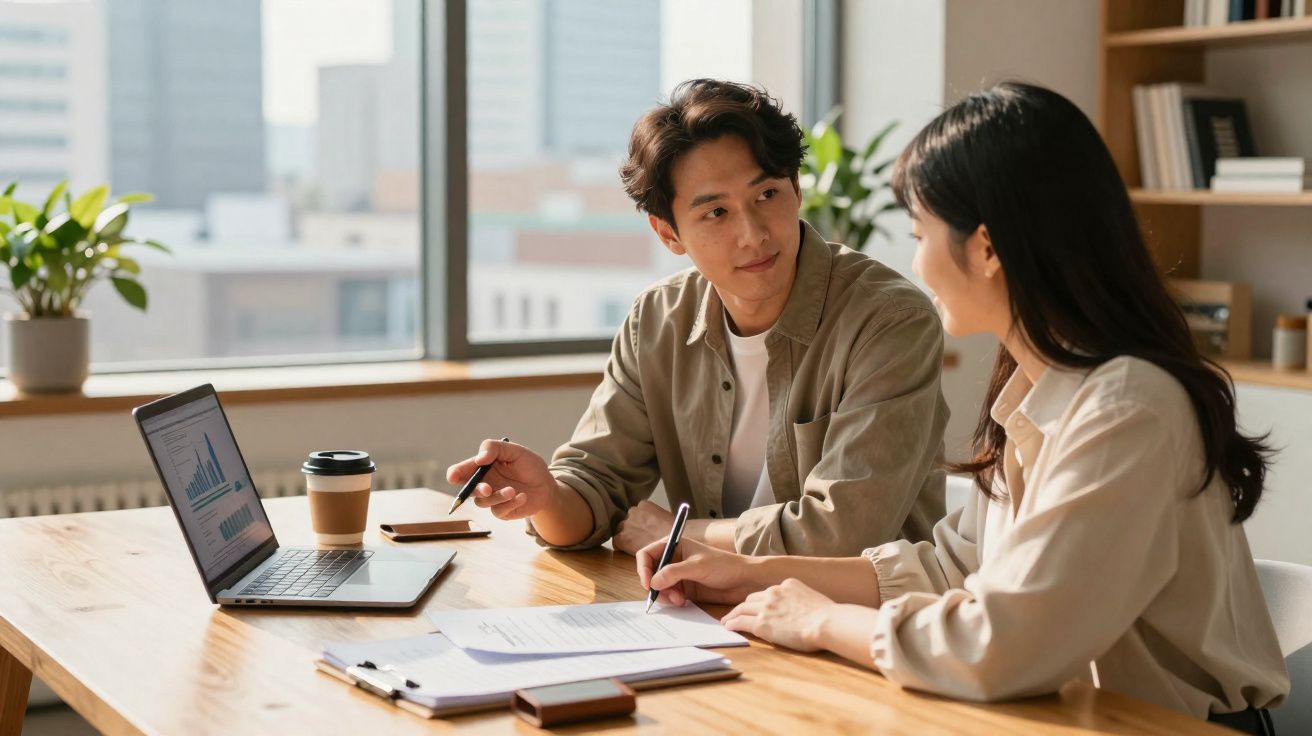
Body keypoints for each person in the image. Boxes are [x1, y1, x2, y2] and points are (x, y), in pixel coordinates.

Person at [635, 82, 1290, 732]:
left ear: (986, 247)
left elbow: (1006, 644)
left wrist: (824, 621)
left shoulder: (1128, 408)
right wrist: (750, 573)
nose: (916, 264)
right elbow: (951, 566)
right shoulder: (1037, 388)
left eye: (920, 233)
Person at [447, 79, 949, 557]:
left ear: (796, 189)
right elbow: (597, 488)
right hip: (714, 606)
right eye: (716, 213)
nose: (753, 235)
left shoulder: (889, 320)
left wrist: (679, 534)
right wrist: (547, 498)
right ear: (668, 233)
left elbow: (844, 533)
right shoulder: (657, 320)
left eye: (767, 195)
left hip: (863, 612)